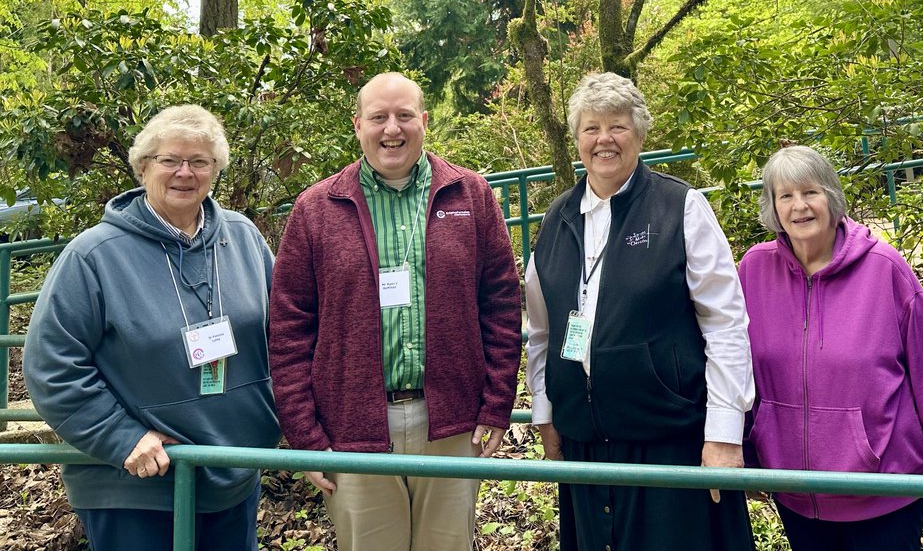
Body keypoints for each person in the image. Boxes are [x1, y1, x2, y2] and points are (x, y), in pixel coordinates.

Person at [268, 72, 522, 551]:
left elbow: (502, 306)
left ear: (424, 121)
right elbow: (288, 328)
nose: (392, 129)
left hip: (452, 424)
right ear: (357, 125)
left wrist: (496, 404)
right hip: (351, 429)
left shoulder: (471, 196)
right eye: (379, 117)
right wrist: (305, 435)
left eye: (404, 116)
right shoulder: (316, 209)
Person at [23, 105, 279, 551]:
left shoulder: (243, 238)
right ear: (143, 167)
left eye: (200, 161)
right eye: (169, 160)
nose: (185, 172)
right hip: (138, 482)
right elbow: (52, 365)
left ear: (215, 169)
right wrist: (121, 437)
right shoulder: (94, 255)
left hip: (234, 469)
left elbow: (285, 333)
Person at [525, 71, 755, 551]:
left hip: (669, 441)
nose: (603, 139)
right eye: (591, 128)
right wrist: (546, 414)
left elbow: (726, 323)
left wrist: (725, 434)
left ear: (640, 133)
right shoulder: (556, 219)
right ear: (577, 138)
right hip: (585, 446)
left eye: (617, 126)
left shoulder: (681, 207)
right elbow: (542, 331)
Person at [738, 145, 923, 551]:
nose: (799, 206)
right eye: (785, 196)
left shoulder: (884, 267)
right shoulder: (753, 270)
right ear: (773, 207)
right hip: (795, 490)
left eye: (811, 192)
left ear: (832, 196)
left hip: (883, 490)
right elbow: (735, 368)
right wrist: (747, 454)